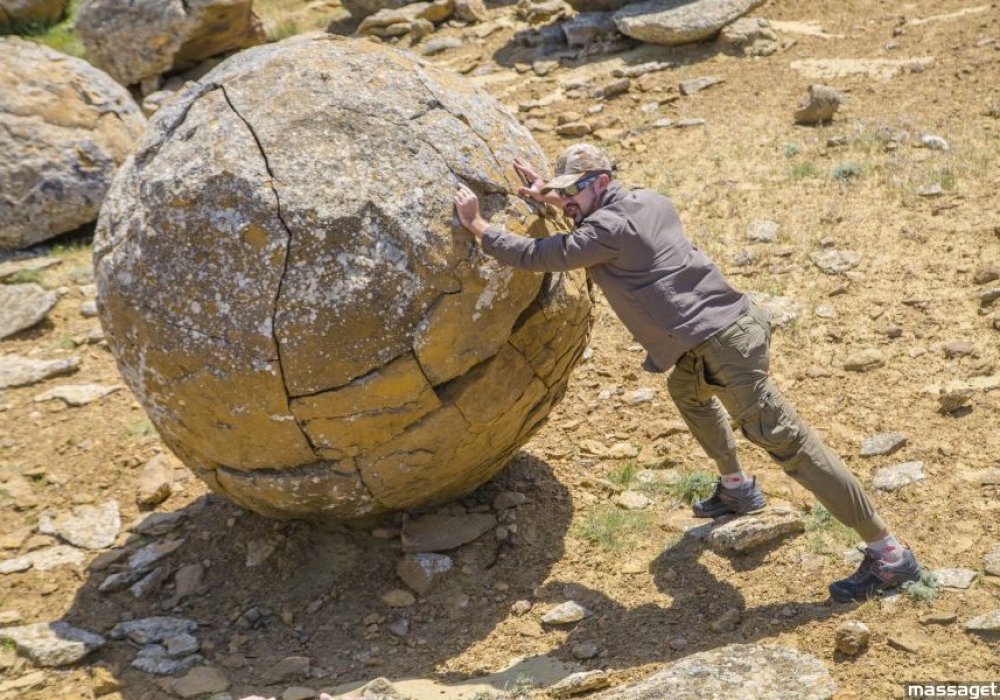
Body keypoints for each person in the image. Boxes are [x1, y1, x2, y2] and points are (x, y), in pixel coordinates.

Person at [452, 143, 922, 603]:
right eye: (564, 191)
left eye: (573, 190)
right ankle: (737, 489)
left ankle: (889, 554)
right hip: (727, 330)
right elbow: (597, 222)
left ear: (602, 183)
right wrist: (552, 196)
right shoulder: (651, 200)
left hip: (720, 347)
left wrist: (477, 225)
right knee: (688, 391)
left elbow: (540, 256)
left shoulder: (605, 230)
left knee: (793, 447)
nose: (566, 200)